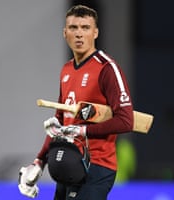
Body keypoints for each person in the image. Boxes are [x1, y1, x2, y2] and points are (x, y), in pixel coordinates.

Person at [18, 4, 134, 200]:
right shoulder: (67, 70)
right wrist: (39, 161)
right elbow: (59, 122)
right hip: (69, 162)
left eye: (85, 28)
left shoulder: (107, 68)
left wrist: (83, 131)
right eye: (73, 28)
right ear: (65, 33)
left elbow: (126, 120)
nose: (79, 34)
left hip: (97, 166)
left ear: (95, 32)